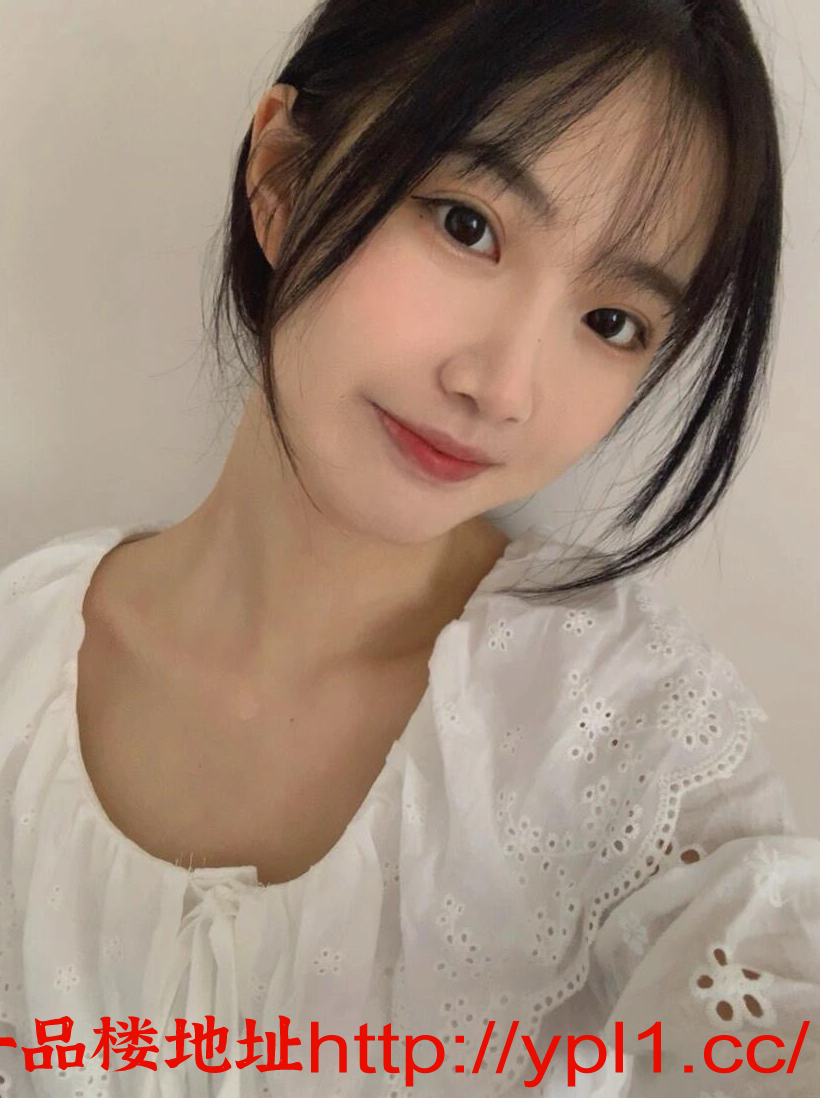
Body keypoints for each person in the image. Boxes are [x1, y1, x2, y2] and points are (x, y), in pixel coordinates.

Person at [1, 0, 818, 1094]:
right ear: (282, 180)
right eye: (466, 225)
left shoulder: (630, 736)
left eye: (612, 322)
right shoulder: (17, 670)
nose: (503, 387)